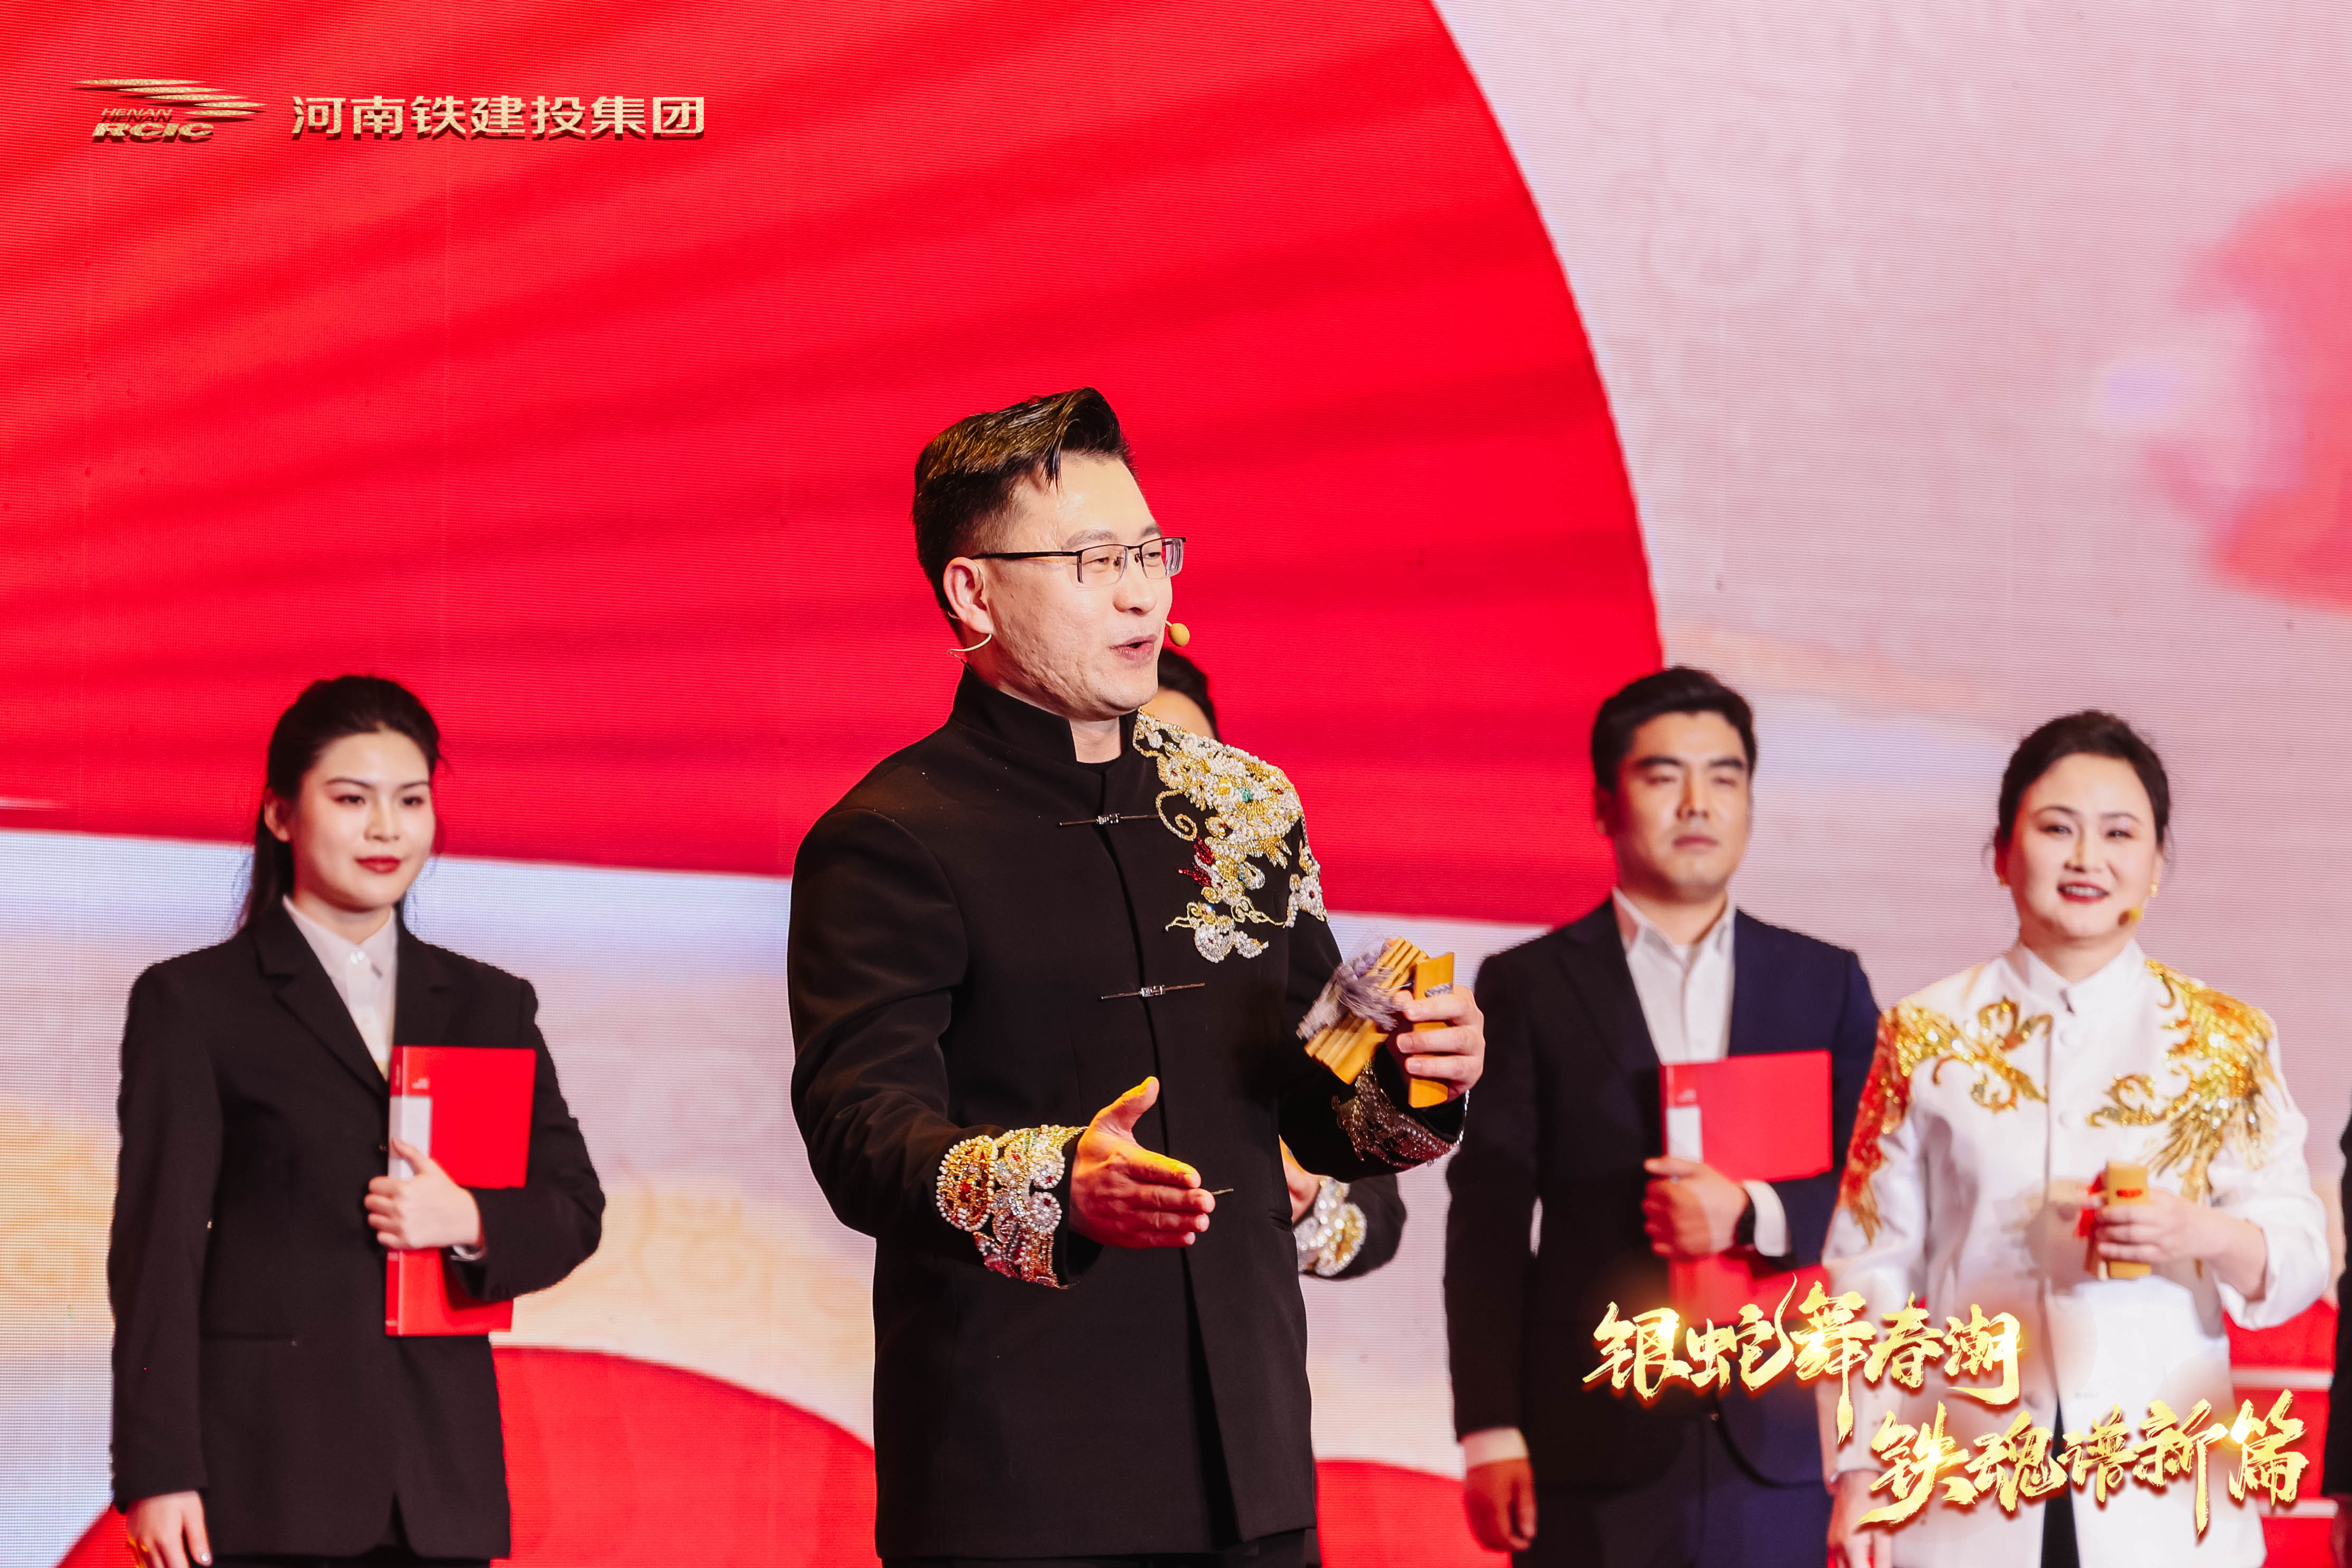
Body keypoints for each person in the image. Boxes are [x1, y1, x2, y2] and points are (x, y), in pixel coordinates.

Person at [788, 387, 1483, 1566]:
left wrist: (1419, 1070)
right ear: (973, 592)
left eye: (1151, 553)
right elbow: (861, 1134)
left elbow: (1318, 1114)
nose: (1142, 594)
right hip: (1019, 1482)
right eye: (1092, 561)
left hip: (1251, 1463)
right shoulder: (891, 836)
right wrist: (1058, 1179)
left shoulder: (1244, 803)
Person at [110, 676, 604, 1568]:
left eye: (410, 801)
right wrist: (159, 1468)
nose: (387, 829)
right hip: (262, 1478)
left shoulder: (488, 1004)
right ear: (280, 815)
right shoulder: (194, 1003)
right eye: (351, 799)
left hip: (437, 1483)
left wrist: (472, 1219)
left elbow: (574, 1208)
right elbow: (157, 1252)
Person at [1822, 711, 2327, 1567]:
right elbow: (1870, 1267)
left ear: (2156, 863)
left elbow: (2298, 1254)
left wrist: (2199, 1232)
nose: (2085, 857)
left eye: (2118, 833)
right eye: (2056, 828)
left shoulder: (2223, 1036)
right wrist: (1860, 1466)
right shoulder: (1922, 1032)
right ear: (2000, 853)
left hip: (2160, 1486)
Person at [1444, 666, 1878, 1567]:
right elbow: (1487, 1220)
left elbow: (1875, 1192)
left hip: (1781, 1438)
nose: (1696, 803)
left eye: (1723, 776)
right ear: (1604, 803)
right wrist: (1489, 1429)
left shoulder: (1822, 982)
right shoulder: (1528, 985)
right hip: (1589, 1439)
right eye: (1661, 775)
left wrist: (1753, 1210)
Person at [1144, 647, 1405, 1282]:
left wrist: (1310, 1203)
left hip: (1238, 1321)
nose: (1175, 796)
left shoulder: (1273, 941)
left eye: (1200, 767)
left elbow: (1377, 1212)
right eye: (1145, 767)